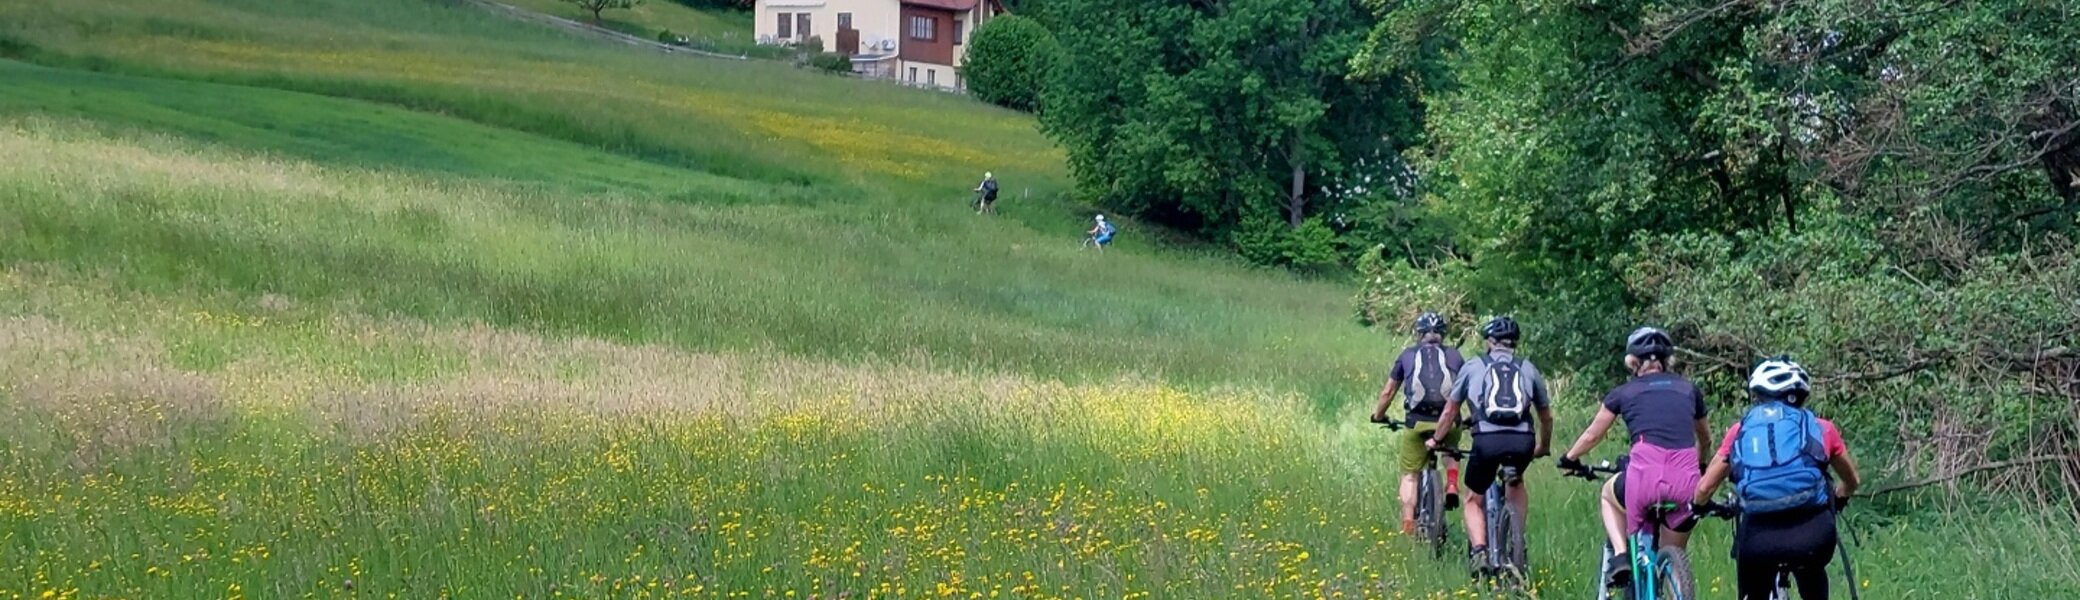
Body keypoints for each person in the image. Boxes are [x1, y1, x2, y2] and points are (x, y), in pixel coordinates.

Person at [1693, 357, 1862, 600]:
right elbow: (1852, 480)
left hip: (1759, 541)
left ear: (1759, 395)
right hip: (1813, 537)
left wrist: (1699, 506)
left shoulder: (1739, 431)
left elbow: (1705, 487)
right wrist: (1841, 495)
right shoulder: (1822, 427)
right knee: (1812, 572)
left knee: (1754, 583)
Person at [1557, 326, 1712, 588]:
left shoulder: (1624, 392)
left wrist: (1569, 457)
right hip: (1686, 483)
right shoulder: (1689, 390)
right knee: (1673, 558)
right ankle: (1673, 581)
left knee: (1608, 494)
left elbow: (1593, 435)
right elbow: (1706, 439)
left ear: (1633, 362)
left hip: (1643, 481)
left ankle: (1620, 557)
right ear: (1666, 360)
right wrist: (1701, 465)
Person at [1428, 315, 1555, 570]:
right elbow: (1546, 415)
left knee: (1473, 498)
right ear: (1514, 344)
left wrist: (1437, 439)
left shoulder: (1474, 365)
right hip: (1523, 442)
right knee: (1516, 483)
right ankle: (1517, 543)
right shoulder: (1528, 368)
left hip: (1487, 440)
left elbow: (1451, 410)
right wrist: (1543, 446)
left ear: (1489, 341)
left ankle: (1479, 552)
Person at [1369, 312, 1467, 535]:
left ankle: (1407, 524)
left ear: (1419, 334)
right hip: (1448, 422)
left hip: (1416, 423)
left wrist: (1379, 416)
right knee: (1450, 452)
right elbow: (1466, 389)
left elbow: (1388, 392)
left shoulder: (1408, 355)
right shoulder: (1454, 355)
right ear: (1443, 334)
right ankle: (1451, 483)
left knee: (1410, 474)